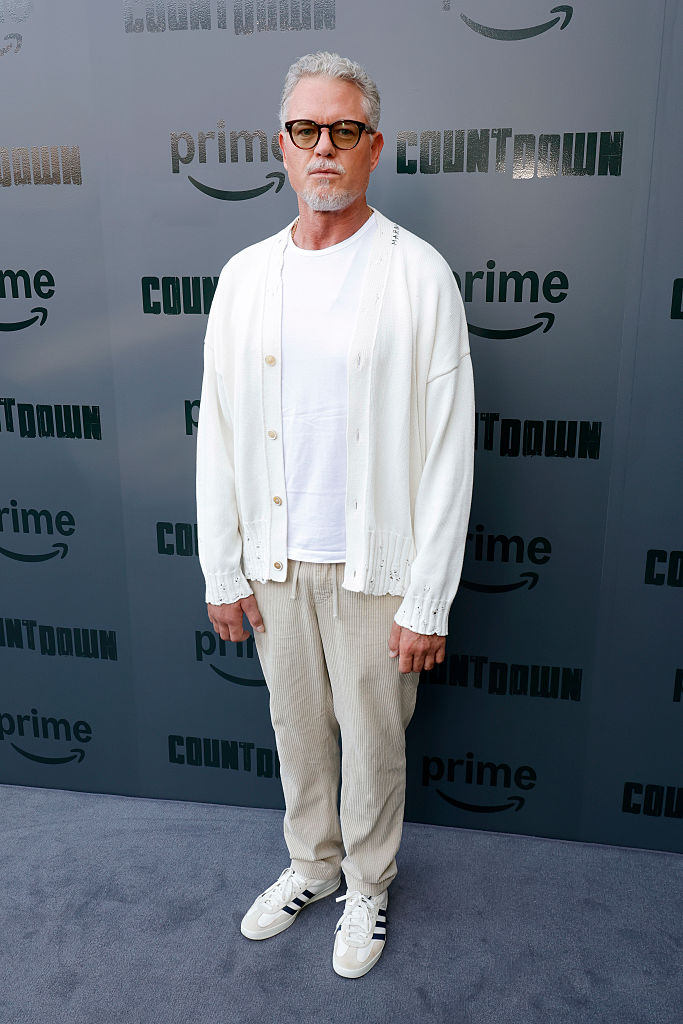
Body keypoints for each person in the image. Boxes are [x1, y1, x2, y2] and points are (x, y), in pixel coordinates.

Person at [196, 51, 474, 979]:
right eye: (306, 130)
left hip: (375, 567)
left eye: (344, 130)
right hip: (275, 562)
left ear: (372, 148)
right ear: (281, 146)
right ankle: (312, 866)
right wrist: (223, 569)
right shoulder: (244, 277)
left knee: (375, 742)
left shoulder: (418, 274)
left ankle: (367, 882)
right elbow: (217, 433)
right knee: (297, 733)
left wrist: (426, 598)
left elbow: (448, 449)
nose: (324, 147)